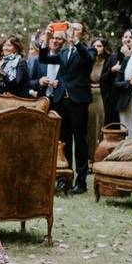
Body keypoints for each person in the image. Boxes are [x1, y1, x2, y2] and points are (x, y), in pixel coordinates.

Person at [38, 21, 94, 193]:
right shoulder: (63, 53)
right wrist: (46, 38)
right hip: (62, 100)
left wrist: (76, 41)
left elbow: (88, 60)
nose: (73, 31)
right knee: (65, 141)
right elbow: (43, 58)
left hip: (78, 101)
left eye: (77, 29)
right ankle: (66, 179)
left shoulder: (88, 50)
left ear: (83, 33)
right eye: (71, 29)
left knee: (80, 141)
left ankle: (81, 182)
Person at [87, 37, 111, 159]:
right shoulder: (87, 61)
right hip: (88, 95)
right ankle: (89, 156)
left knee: (99, 126)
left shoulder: (108, 62)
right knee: (89, 127)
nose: (97, 48)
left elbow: (107, 79)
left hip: (101, 96)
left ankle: (99, 156)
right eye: (94, 46)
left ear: (104, 48)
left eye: (99, 46)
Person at [101, 34, 128, 125]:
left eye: (130, 37)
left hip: (128, 96)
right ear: (122, 39)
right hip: (112, 98)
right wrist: (112, 70)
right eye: (125, 37)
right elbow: (103, 77)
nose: (127, 39)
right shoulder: (113, 57)